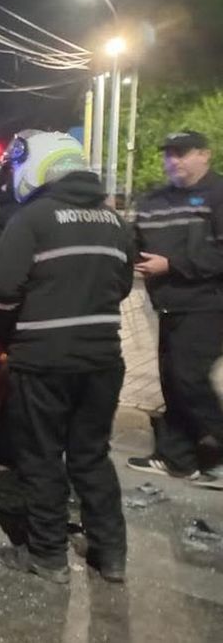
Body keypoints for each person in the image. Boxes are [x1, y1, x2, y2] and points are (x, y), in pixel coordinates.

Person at [0, 131, 133, 584]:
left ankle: (47, 555)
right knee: (91, 456)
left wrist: (9, 331)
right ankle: (111, 554)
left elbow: (1, 291)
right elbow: (123, 285)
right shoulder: (114, 221)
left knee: (42, 457)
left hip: (43, 360)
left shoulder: (33, 218)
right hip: (103, 360)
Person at [126, 131, 223, 488]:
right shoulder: (153, 200)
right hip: (167, 305)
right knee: (172, 380)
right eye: (169, 154)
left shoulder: (218, 195)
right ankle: (177, 458)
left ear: (205, 155)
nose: (174, 161)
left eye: (182, 153)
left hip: (208, 304)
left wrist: (172, 265)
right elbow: (133, 241)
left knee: (188, 378)